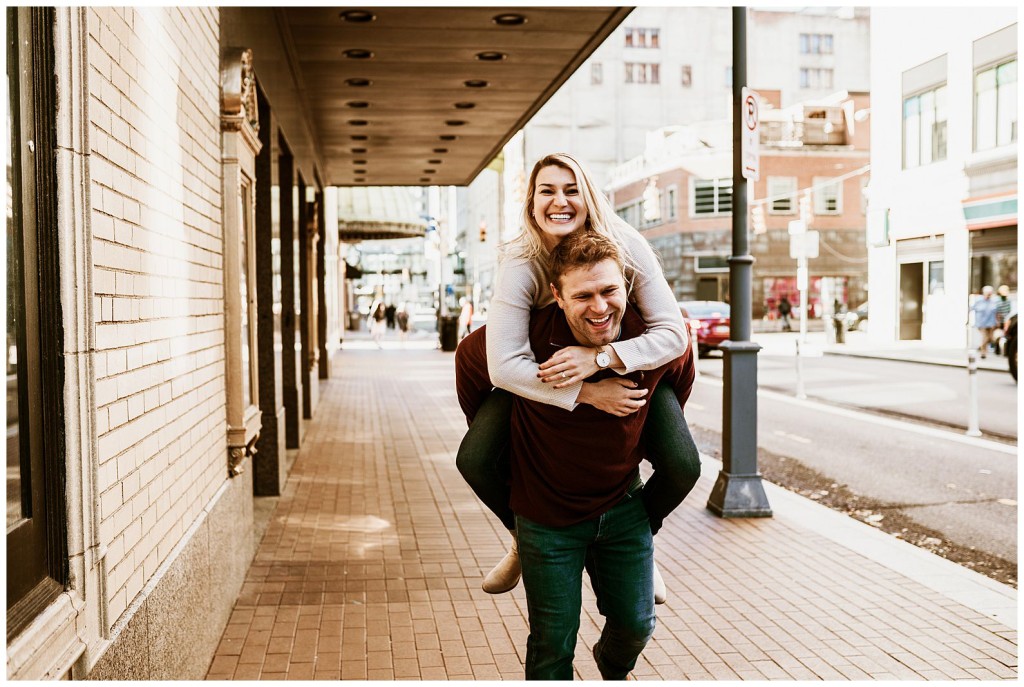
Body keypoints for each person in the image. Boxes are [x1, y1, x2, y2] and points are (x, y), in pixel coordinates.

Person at [456, 153, 699, 605]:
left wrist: (602, 360)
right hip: (543, 372)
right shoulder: (520, 260)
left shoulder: (626, 243)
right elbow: (504, 365)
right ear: (531, 203)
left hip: (632, 363)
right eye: (547, 191)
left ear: (589, 197)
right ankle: (522, 539)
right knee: (474, 458)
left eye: (572, 190)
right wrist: (586, 392)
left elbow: (672, 334)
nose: (560, 201)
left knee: (684, 465)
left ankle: (642, 542)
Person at [972, 285, 999, 358]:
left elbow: (996, 312)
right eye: (988, 293)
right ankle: (983, 353)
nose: (989, 295)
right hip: (981, 323)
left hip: (991, 323)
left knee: (991, 338)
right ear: (984, 293)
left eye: (990, 293)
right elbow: (971, 309)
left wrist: (997, 322)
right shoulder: (978, 300)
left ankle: (983, 348)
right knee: (985, 337)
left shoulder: (993, 301)